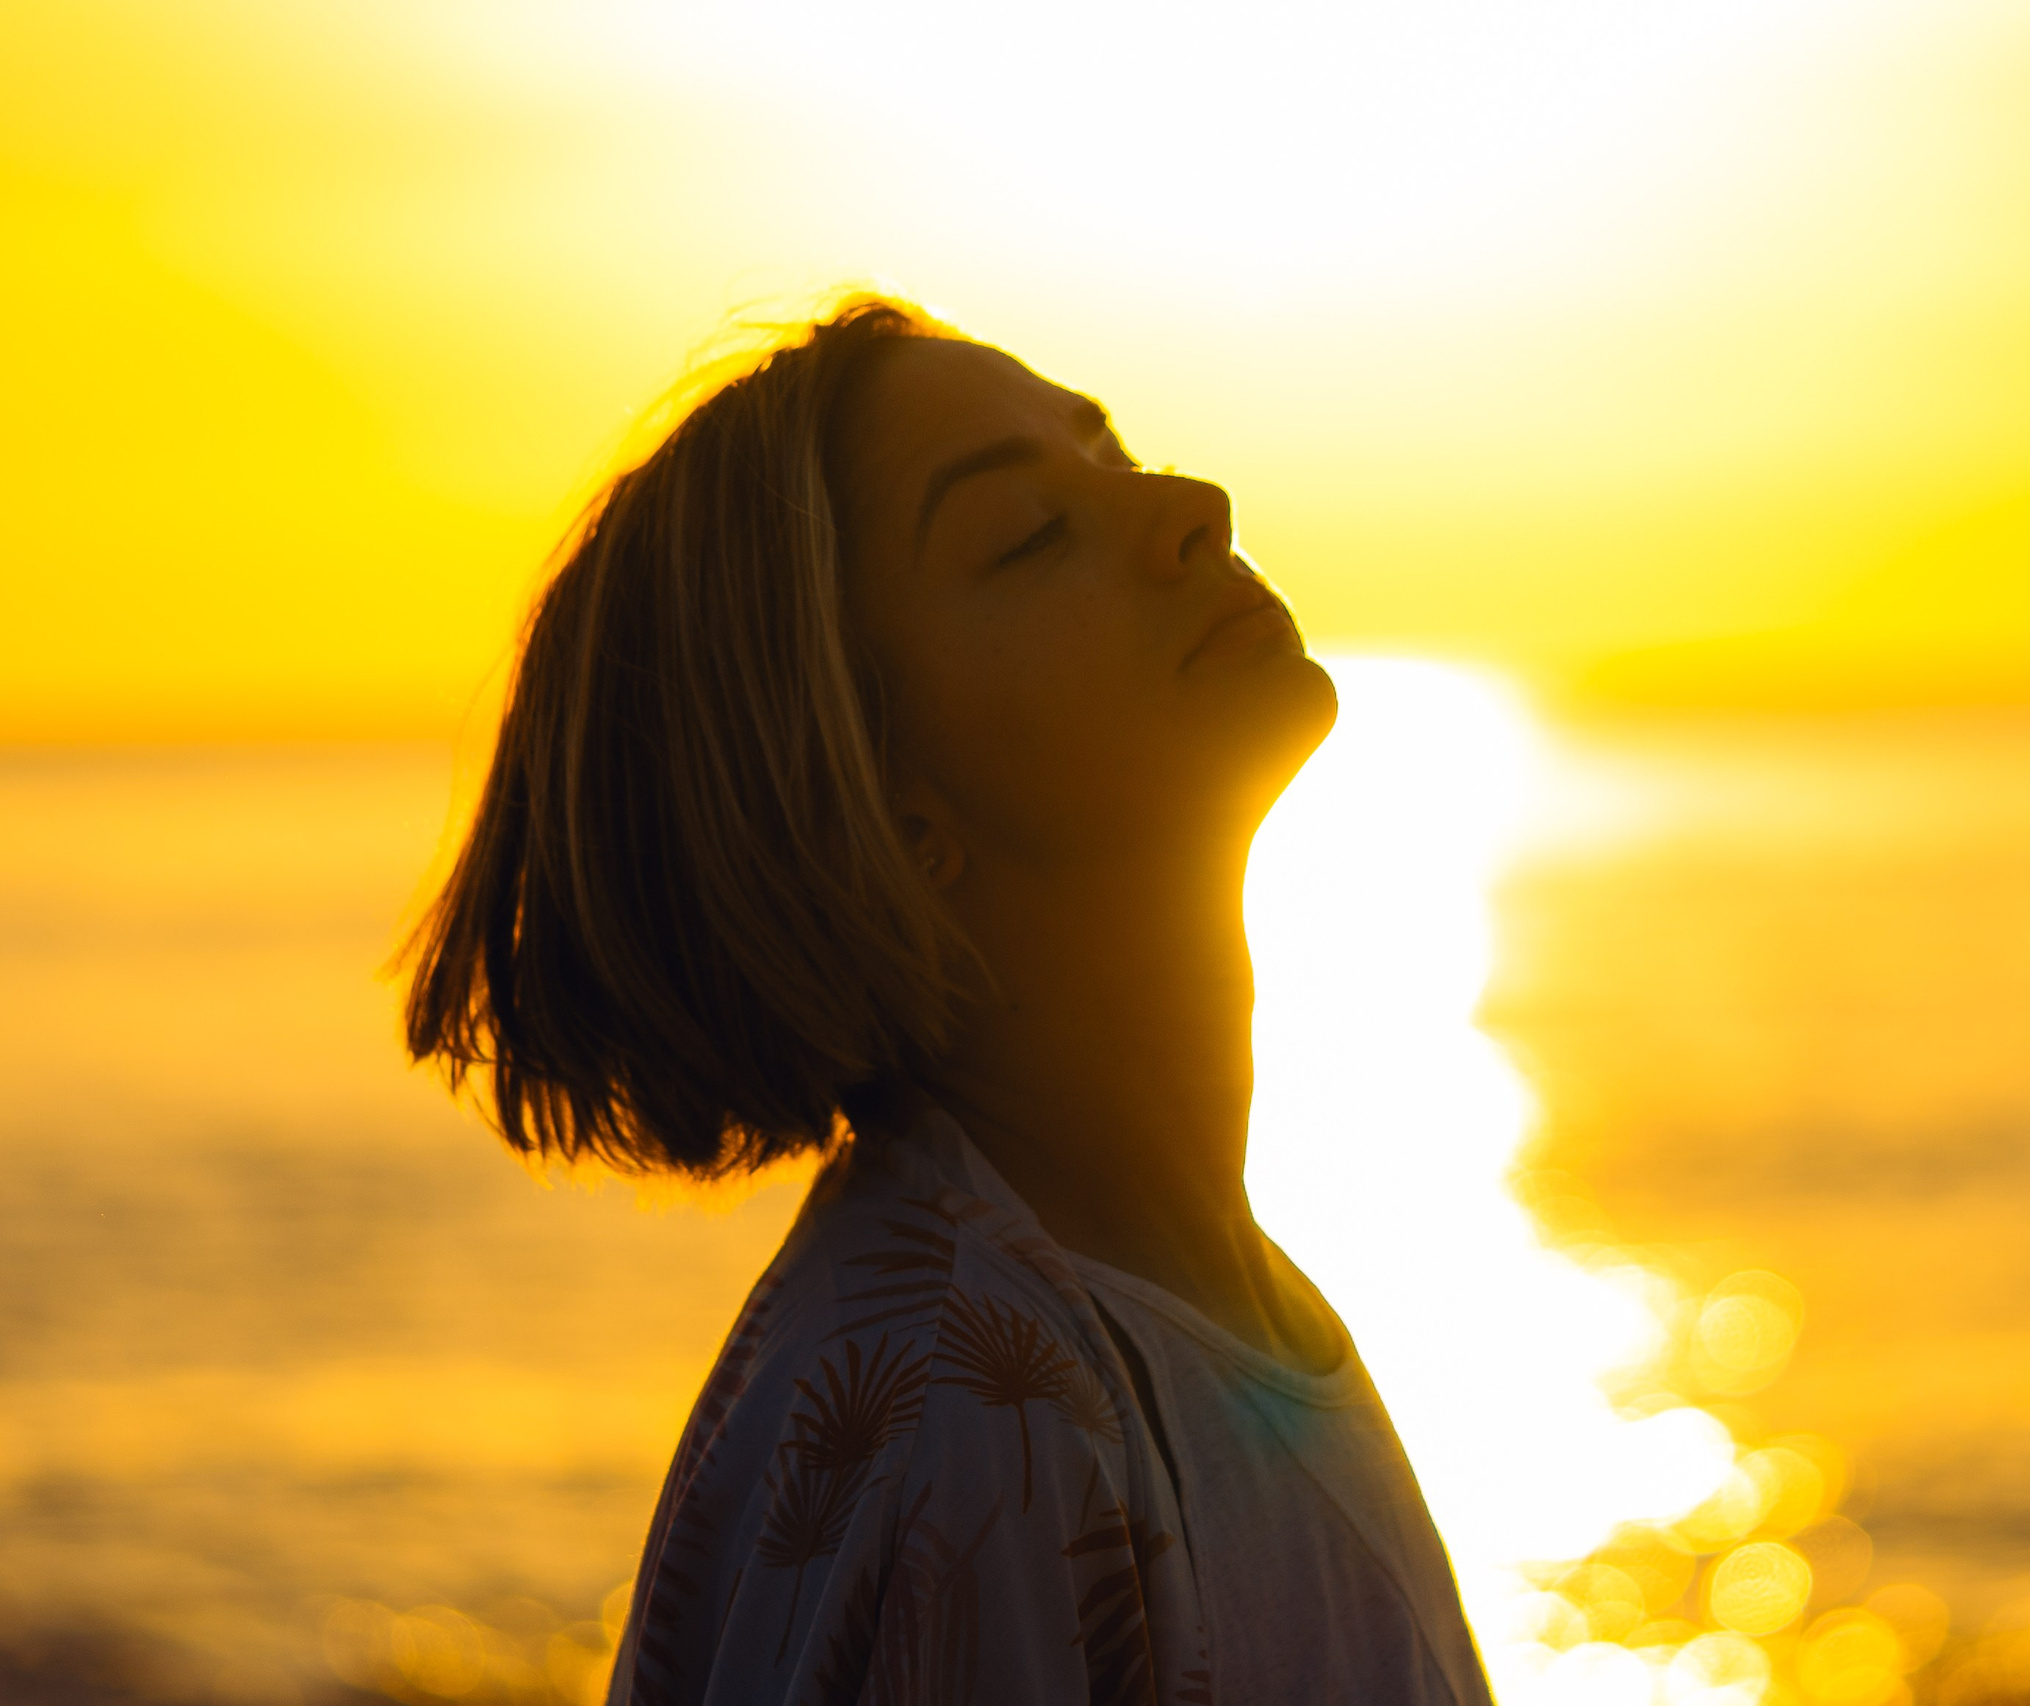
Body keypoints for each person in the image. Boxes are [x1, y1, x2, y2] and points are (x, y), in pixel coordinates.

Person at [402, 295, 1497, 1705]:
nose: (1188, 507)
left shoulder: (1208, 1311)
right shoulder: (975, 1422)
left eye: (1115, 455)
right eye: (1026, 536)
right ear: (877, 803)